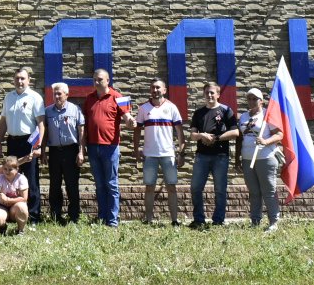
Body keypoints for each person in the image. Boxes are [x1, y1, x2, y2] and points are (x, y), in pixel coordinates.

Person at [80, 68, 133, 227]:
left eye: (100, 79)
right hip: (93, 147)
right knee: (100, 184)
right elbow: (84, 124)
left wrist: (130, 121)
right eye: (95, 79)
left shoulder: (118, 97)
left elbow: (127, 116)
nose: (97, 82)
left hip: (110, 147)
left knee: (111, 184)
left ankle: (113, 220)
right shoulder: (89, 99)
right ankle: (102, 217)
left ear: (108, 81)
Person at [133, 78, 185, 225]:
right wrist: (136, 149)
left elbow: (180, 133)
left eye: (158, 88)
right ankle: (148, 220)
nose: (155, 90)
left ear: (164, 90)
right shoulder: (144, 109)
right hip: (150, 155)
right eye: (152, 88)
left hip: (168, 155)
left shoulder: (172, 107)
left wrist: (181, 153)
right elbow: (137, 131)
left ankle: (174, 220)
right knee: (149, 188)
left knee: (171, 188)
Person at [188, 81, 240, 229]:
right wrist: (202, 135)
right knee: (196, 188)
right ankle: (199, 220)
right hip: (201, 156)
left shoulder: (226, 111)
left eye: (212, 92)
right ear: (204, 94)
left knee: (220, 189)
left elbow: (235, 132)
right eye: (207, 93)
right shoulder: (198, 113)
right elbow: (192, 135)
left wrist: (216, 138)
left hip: (220, 156)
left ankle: (218, 220)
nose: (209, 95)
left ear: (218, 94)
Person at [0, 67, 44, 223]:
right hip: (12, 142)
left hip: (28, 142)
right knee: (11, 178)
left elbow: (41, 124)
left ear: (28, 80)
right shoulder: (8, 98)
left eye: (23, 78)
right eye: (17, 78)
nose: (20, 81)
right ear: (13, 79)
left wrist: (38, 146)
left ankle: (33, 216)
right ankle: (14, 214)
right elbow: (3, 122)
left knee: (30, 179)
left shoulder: (35, 97)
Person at [236, 87, 283, 232]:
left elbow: (279, 134)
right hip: (248, 158)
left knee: (268, 190)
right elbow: (240, 138)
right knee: (254, 192)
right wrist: (237, 158)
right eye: (249, 98)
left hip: (265, 158)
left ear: (261, 101)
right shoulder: (243, 117)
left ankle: (273, 221)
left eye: (254, 99)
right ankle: (255, 221)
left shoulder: (267, 116)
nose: (251, 101)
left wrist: (265, 141)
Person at [41, 81, 84, 224]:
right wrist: (43, 152)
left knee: (72, 185)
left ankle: (74, 216)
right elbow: (45, 133)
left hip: (71, 151)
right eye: (55, 94)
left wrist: (81, 152)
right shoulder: (48, 111)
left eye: (59, 93)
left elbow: (81, 132)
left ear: (67, 94)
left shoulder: (75, 110)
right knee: (54, 184)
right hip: (54, 152)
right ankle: (56, 215)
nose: (57, 96)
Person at [0, 155, 29, 234]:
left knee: (22, 207)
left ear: (17, 169)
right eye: (5, 169)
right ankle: (3, 227)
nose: (7, 172)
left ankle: (20, 230)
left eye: (10, 169)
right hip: (1, 205)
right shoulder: (0, 178)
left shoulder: (21, 178)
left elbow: (24, 198)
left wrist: (8, 200)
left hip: (15, 207)